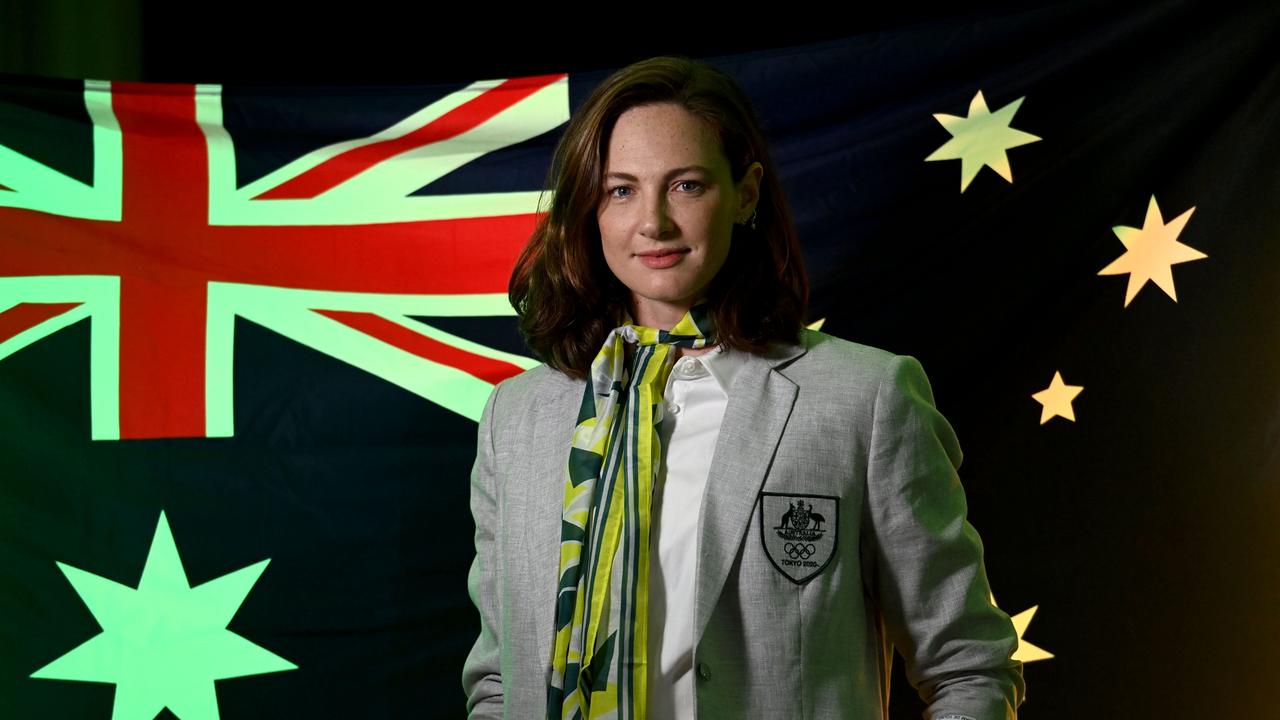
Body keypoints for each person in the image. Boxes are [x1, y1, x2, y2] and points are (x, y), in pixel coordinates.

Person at [462, 55, 1025, 720]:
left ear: (746, 192)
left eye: (687, 186)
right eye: (620, 190)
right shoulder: (518, 417)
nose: (653, 224)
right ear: (588, 209)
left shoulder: (864, 398)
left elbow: (968, 665)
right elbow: (498, 682)